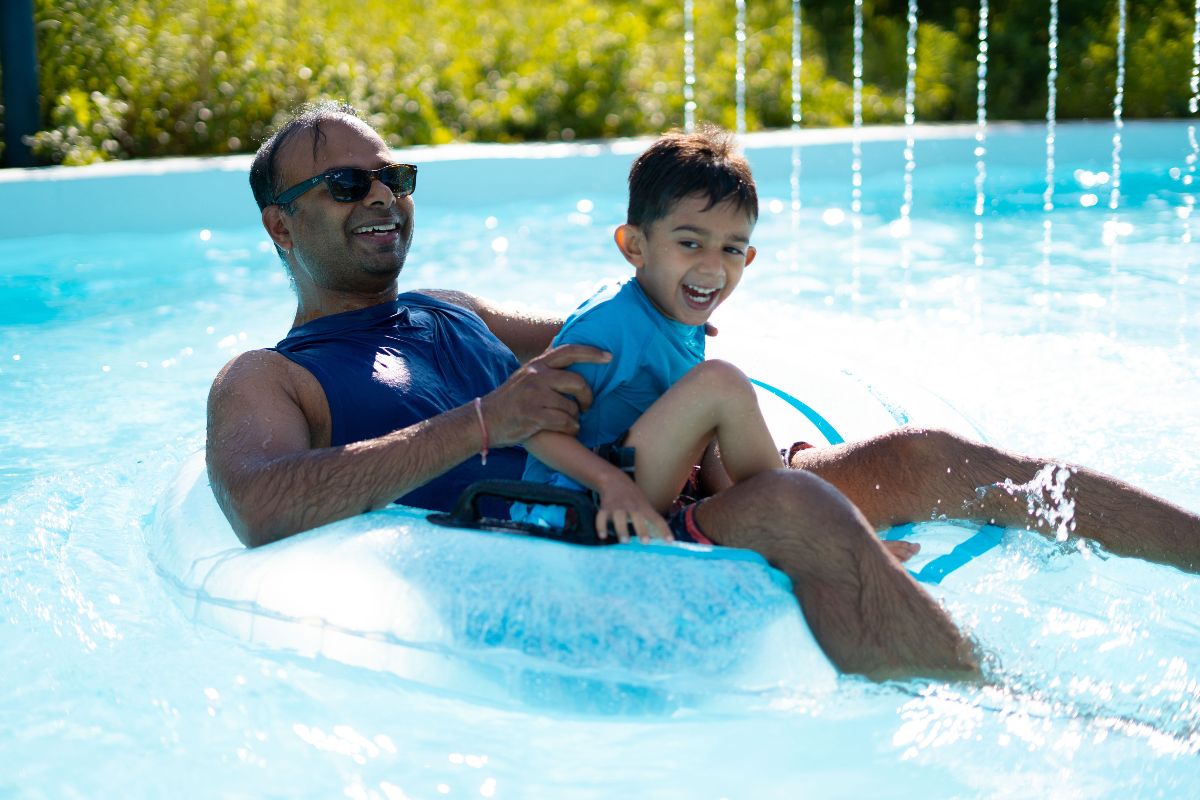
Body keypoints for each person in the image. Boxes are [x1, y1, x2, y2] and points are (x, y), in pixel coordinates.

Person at [207, 100, 1200, 682]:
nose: (382, 196)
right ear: (280, 226)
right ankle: (1009, 701)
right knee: (795, 505)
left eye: (396, 175)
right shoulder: (272, 375)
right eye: (346, 185)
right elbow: (260, 502)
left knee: (927, 453)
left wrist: (690, 268)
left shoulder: (444, 305)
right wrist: (483, 421)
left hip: (661, 482)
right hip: (574, 541)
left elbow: (604, 335)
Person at [514, 126, 784, 545]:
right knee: (722, 384)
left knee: (716, 403)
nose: (713, 268)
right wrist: (610, 483)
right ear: (635, 246)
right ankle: (799, 519)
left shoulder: (675, 313)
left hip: (624, 488)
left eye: (731, 249)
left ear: (748, 258)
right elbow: (530, 426)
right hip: (574, 512)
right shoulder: (607, 328)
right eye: (691, 243)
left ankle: (768, 518)